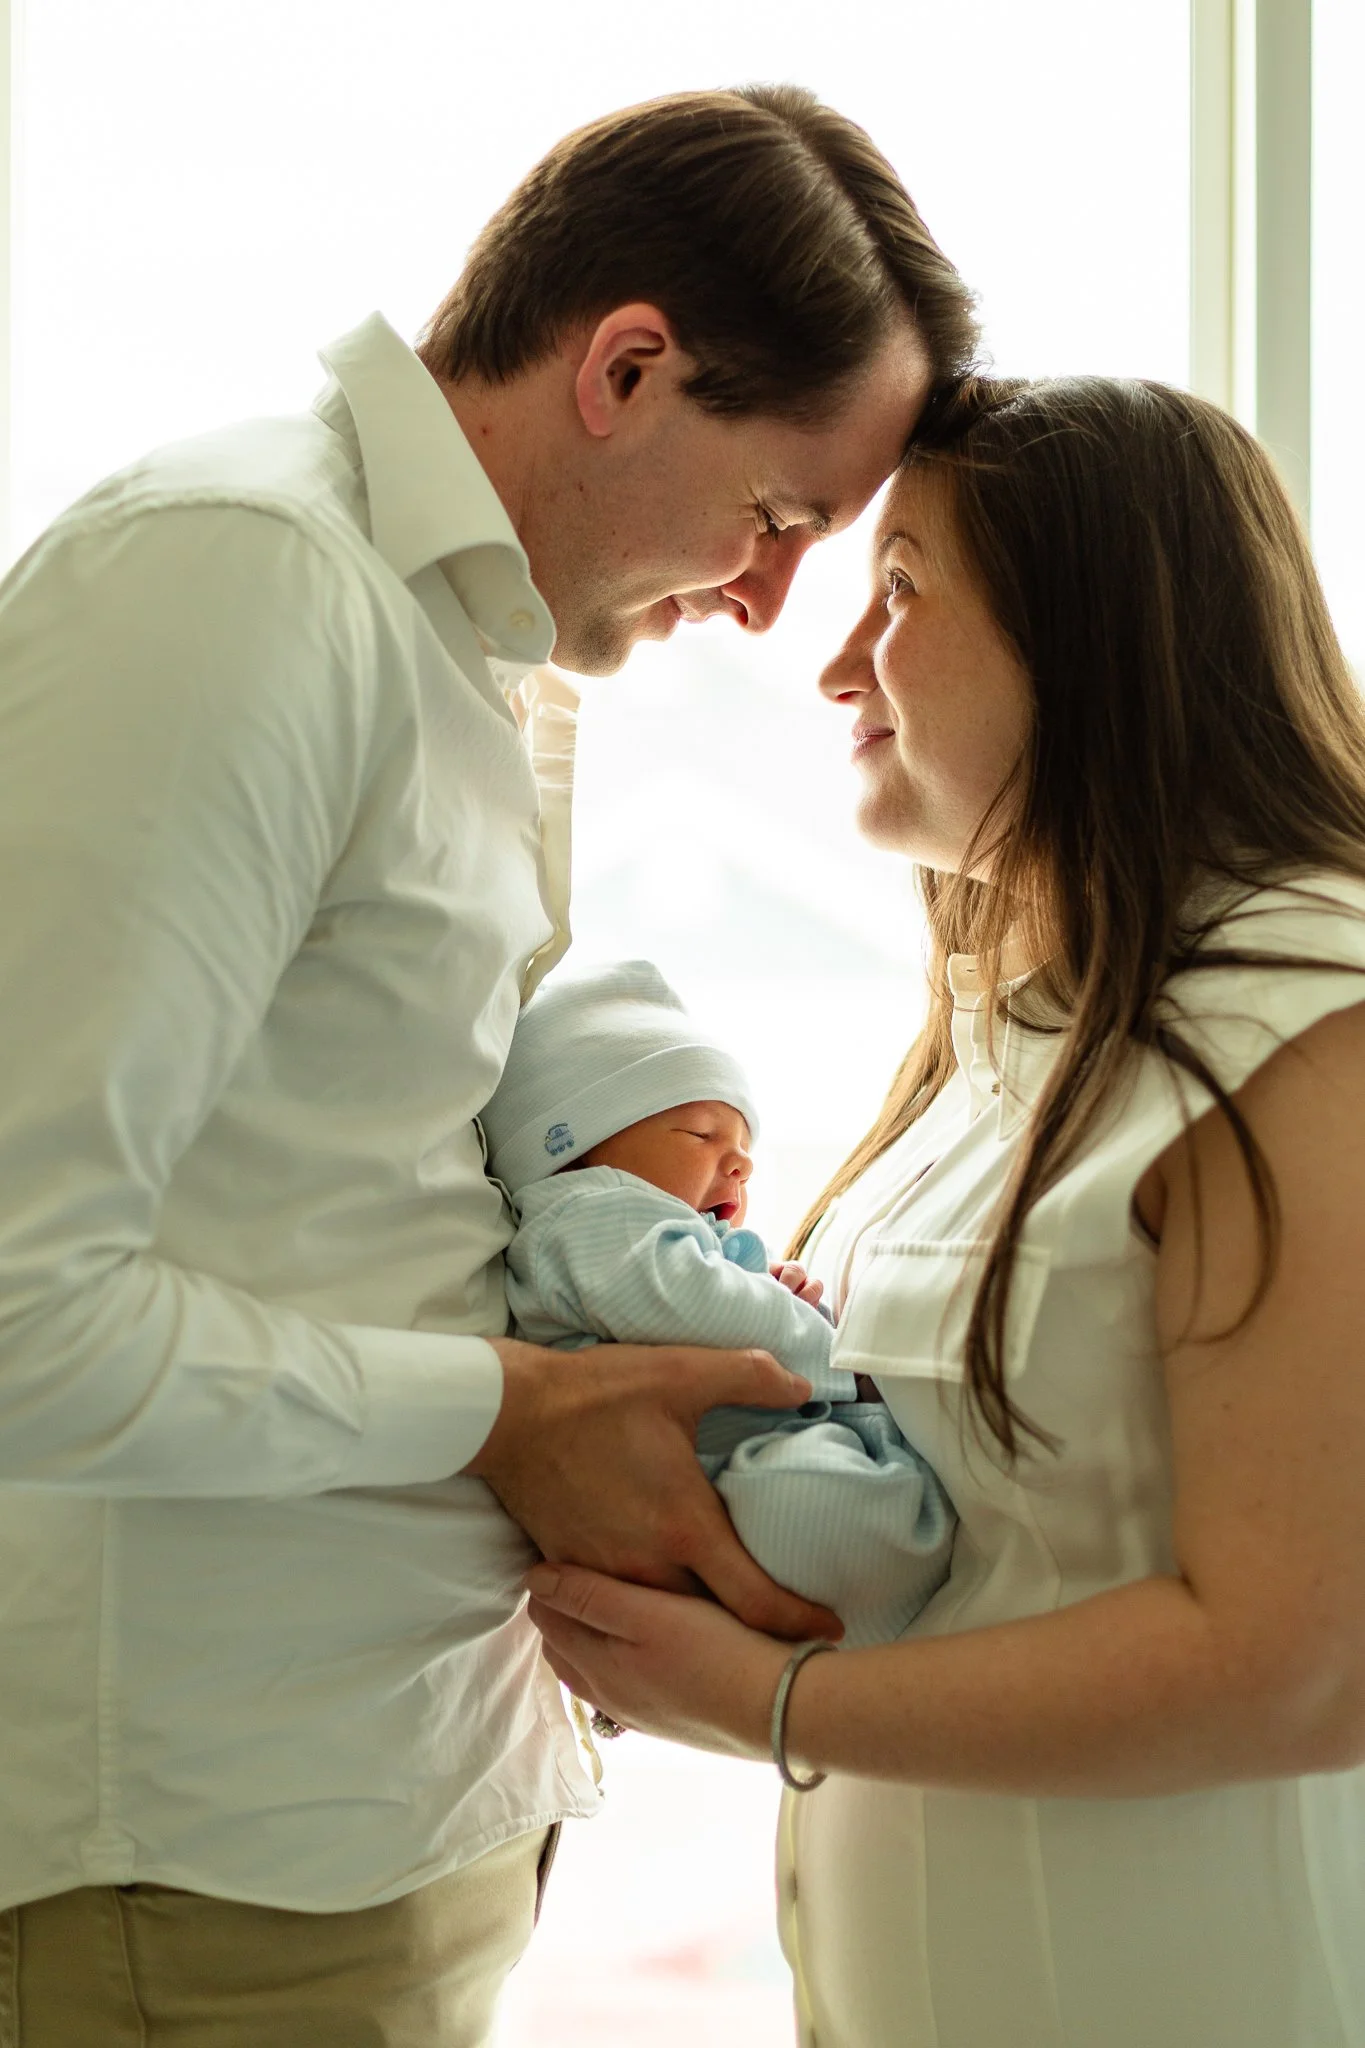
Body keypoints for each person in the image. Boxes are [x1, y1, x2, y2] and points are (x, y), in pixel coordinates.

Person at [0, 85, 977, 2047]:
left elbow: (356, 1191)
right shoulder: (244, 584)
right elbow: (23, 1311)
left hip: (391, 1803)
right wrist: (508, 1407)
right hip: (202, 1861)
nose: (767, 603)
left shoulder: (467, 652)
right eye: (778, 518)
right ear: (626, 366)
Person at [528, 374, 1365, 2047]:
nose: (840, 662)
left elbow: (1307, 1654)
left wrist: (764, 1698)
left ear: (1100, 638)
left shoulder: (1301, 1006)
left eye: (900, 590)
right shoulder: (1006, 1044)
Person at [482, 958, 955, 1650]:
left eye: (743, 1146)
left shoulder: (647, 1229)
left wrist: (770, 1288)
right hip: (713, 1474)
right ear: (575, 1147)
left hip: (734, 1462)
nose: (739, 1163)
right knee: (804, 1501)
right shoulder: (583, 1210)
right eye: (702, 1135)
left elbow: (710, 1294)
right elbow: (693, 1306)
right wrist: (836, 1355)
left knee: (813, 1494)